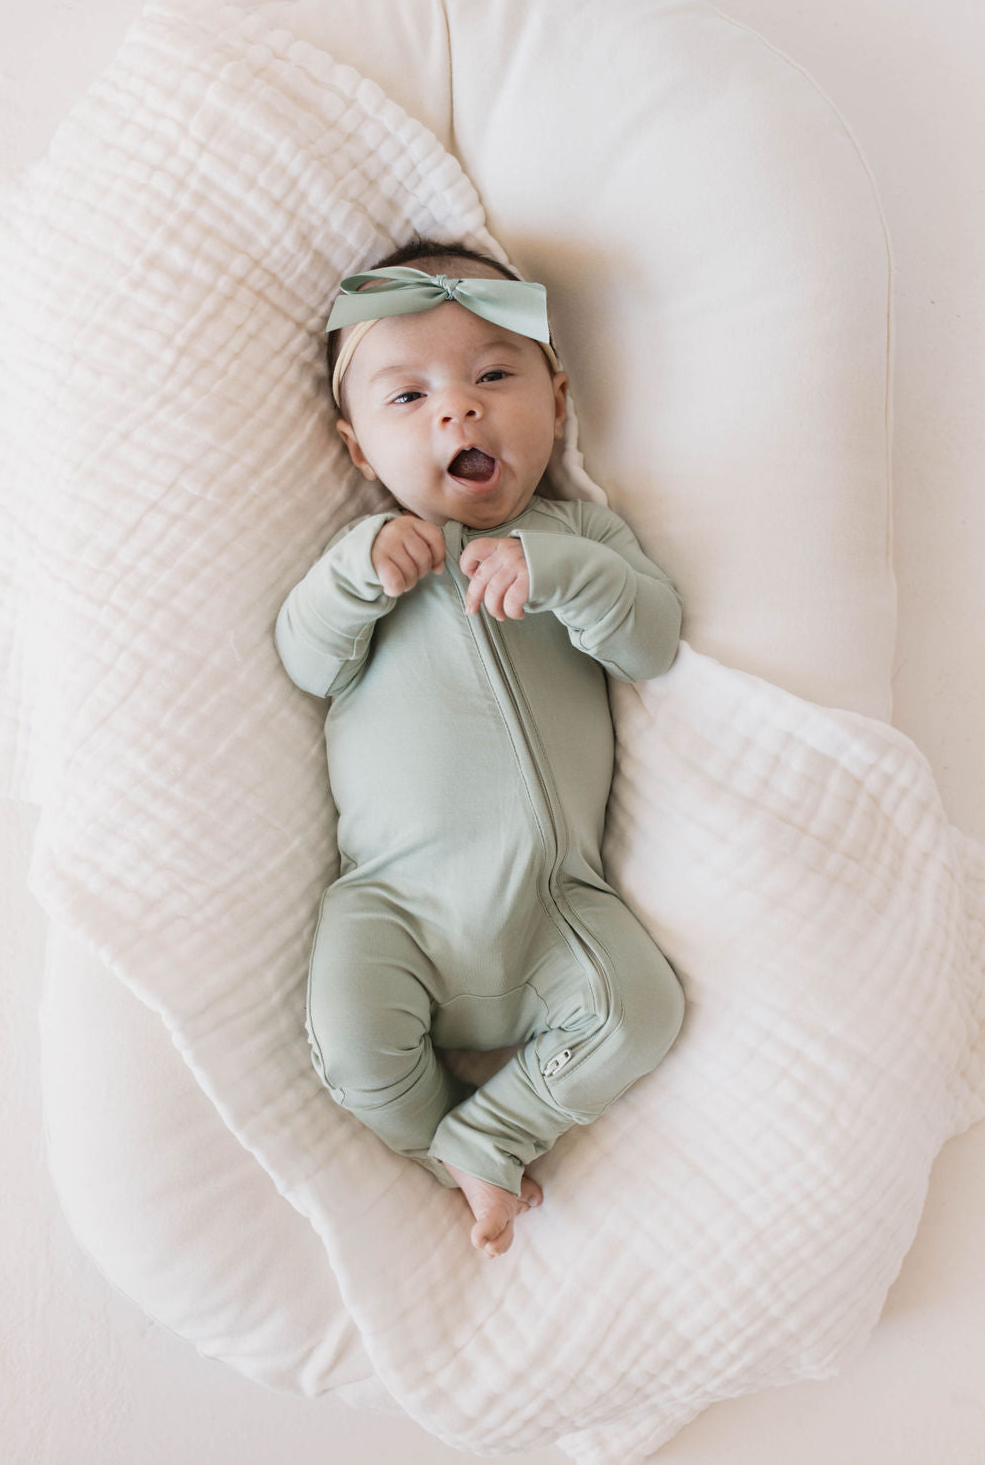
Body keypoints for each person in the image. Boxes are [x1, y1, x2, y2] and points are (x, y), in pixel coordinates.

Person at [275, 238, 685, 1257]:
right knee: (350, 1034)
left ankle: (495, 1128)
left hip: (559, 904)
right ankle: (442, 1154)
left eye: (493, 375)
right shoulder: (370, 559)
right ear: (360, 449)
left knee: (643, 1010)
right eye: (406, 397)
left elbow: (653, 636)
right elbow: (303, 659)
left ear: (554, 396)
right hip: (394, 903)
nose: (457, 409)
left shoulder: (581, 537)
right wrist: (356, 577)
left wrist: (557, 572)